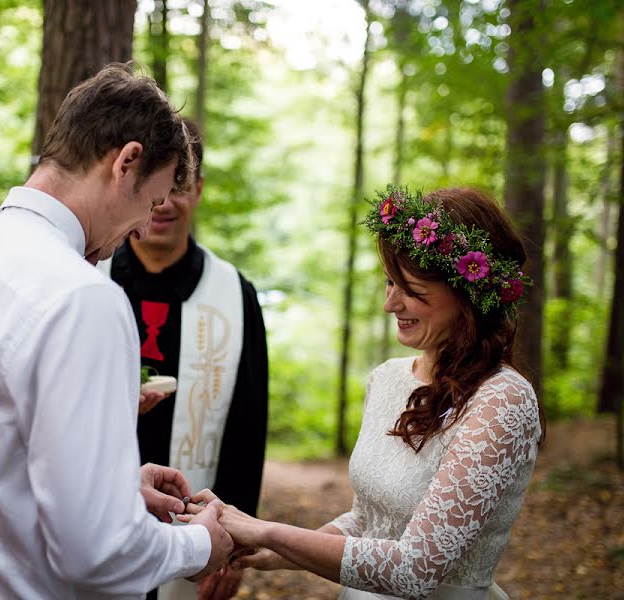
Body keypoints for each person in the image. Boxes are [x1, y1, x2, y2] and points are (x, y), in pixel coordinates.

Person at [0, 63, 235, 599]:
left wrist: (112, 489)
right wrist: (200, 545)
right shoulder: (84, 297)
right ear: (126, 161)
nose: (146, 227)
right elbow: (96, 554)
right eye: (150, 202)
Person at [183, 186, 544, 600]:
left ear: (467, 291)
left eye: (409, 288)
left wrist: (267, 530)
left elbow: (416, 569)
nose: (390, 304)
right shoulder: (388, 378)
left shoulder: (502, 401)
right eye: (389, 282)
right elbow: (367, 520)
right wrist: (279, 548)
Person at [99, 120, 269, 600]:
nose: (167, 203)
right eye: (159, 187)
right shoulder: (91, 276)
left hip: (194, 524)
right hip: (100, 515)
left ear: (199, 188)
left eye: (182, 187)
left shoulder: (234, 294)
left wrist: (233, 542)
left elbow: (247, 425)